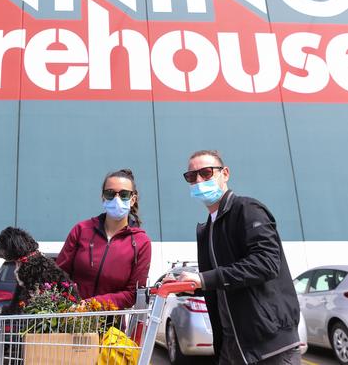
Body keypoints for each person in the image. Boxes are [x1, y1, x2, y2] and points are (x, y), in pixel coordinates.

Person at [175, 150, 300, 365]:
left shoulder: (247, 209)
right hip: (231, 345)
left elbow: (267, 263)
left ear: (225, 173)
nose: (198, 180)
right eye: (191, 176)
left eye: (206, 173)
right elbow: (222, 279)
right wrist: (189, 283)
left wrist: (205, 279)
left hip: (269, 345)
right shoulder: (208, 228)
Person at [56, 169, 151, 309]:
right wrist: (71, 304)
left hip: (111, 325)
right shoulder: (81, 230)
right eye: (110, 193)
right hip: (71, 319)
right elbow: (59, 275)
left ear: (133, 200)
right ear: (103, 198)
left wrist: (92, 304)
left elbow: (132, 294)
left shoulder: (141, 243)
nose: (116, 199)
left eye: (124, 194)